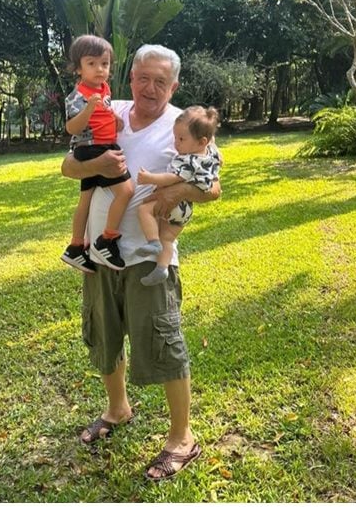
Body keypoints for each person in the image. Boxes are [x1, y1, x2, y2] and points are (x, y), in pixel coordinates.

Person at [60, 44, 219, 481]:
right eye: (142, 78)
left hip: (150, 258)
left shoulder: (186, 124)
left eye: (160, 82)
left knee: (163, 344)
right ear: (130, 77)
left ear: (174, 86)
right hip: (101, 254)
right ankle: (118, 409)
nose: (150, 88)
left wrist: (170, 193)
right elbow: (68, 167)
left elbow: (212, 188)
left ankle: (182, 438)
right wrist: (92, 163)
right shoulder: (107, 109)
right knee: (105, 336)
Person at [59, 35, 134, 273]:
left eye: (105, 63)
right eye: (91, 64)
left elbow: (105, 111)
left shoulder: (104, 89)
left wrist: (115, 118)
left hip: (99, 146)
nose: (100, 69)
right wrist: (89, 107)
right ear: (78, 68)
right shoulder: (77, 96)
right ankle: (106, 240)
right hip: (94, 148)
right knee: (126, 191)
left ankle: (75, 247)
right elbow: (72, 128)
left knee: (86, 199)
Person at [135, 106, 223, 287]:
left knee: (144, 210)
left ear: (201, 141)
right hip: (186, 209)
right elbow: (217, 153)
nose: (176, 143)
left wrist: (149, 178)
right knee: (167, 238)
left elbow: (172, 178)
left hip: (177, 204)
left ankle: (153, 242)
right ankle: (161, 268)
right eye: (175, 137)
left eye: (181, 139)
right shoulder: (209, 153)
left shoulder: (188, 160)